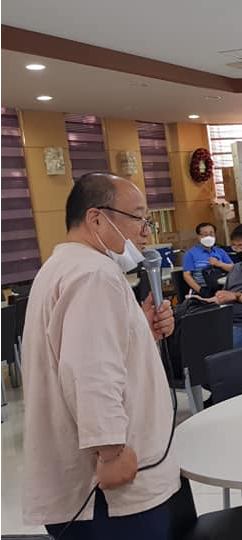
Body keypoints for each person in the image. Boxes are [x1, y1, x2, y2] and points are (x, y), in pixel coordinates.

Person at [22, 172, 178, 539]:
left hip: (86, 488)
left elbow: (90, 350)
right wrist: (111, 452)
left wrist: (141, 331)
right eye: (138, 217)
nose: (146, 231)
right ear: (96, 218)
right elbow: (90, 373)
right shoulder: (95, 274)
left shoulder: (62, 266)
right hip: (111, 493)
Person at [181, 222, 233, 297]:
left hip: (224, 289)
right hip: (204, 290)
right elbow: (187, 275)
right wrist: (200, 290)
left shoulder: (220, 251)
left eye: (211, 234)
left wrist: (219, 264)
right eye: (205, 235)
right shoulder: (190, 253)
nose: (209, 237)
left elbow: (233, 268)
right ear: (199, 236)